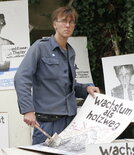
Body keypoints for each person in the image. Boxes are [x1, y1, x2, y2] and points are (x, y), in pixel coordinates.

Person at [14, 6, 100, 145]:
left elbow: (69, 85)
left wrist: (86, 89)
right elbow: (21, 78)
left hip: (70, 122)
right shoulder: (40, 47)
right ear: (54, 24)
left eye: (71, 22)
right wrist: (27, 110)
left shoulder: (70, 52)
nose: (67, 25)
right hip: (48, 123)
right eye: (63, 21)